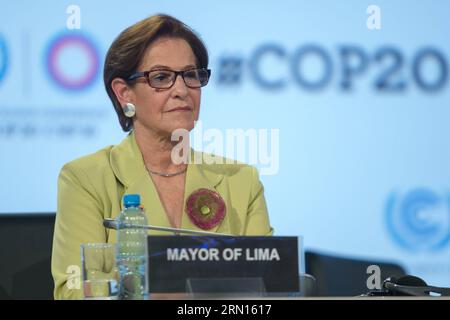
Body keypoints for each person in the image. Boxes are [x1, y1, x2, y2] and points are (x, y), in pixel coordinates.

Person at [51, 14, 273, 300]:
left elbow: (268, 289)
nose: (182, 91)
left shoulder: (241, 180)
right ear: (123, 93)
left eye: (190, 75)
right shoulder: (84, 178)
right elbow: (74, 292)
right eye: (161, 78)